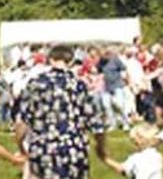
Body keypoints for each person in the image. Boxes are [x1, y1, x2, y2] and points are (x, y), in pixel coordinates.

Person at [14, 45, 105, 179]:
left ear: (50, 60)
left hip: (43, 148)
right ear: (71, 62)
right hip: (74, 149)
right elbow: (95, 123)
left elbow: (22, 121)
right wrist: (101, 149)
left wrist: (21, 145)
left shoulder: (36, 84)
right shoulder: (78, 85)